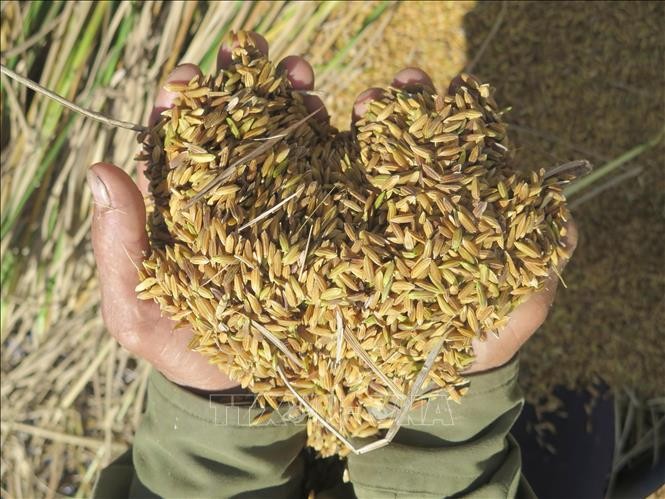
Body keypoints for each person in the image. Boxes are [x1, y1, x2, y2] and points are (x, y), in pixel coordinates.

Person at [89, 33, 577, 499]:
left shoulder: (230, 295)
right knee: (579, 453)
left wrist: (212, 433)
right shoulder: (440, 294)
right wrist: (440, 451)